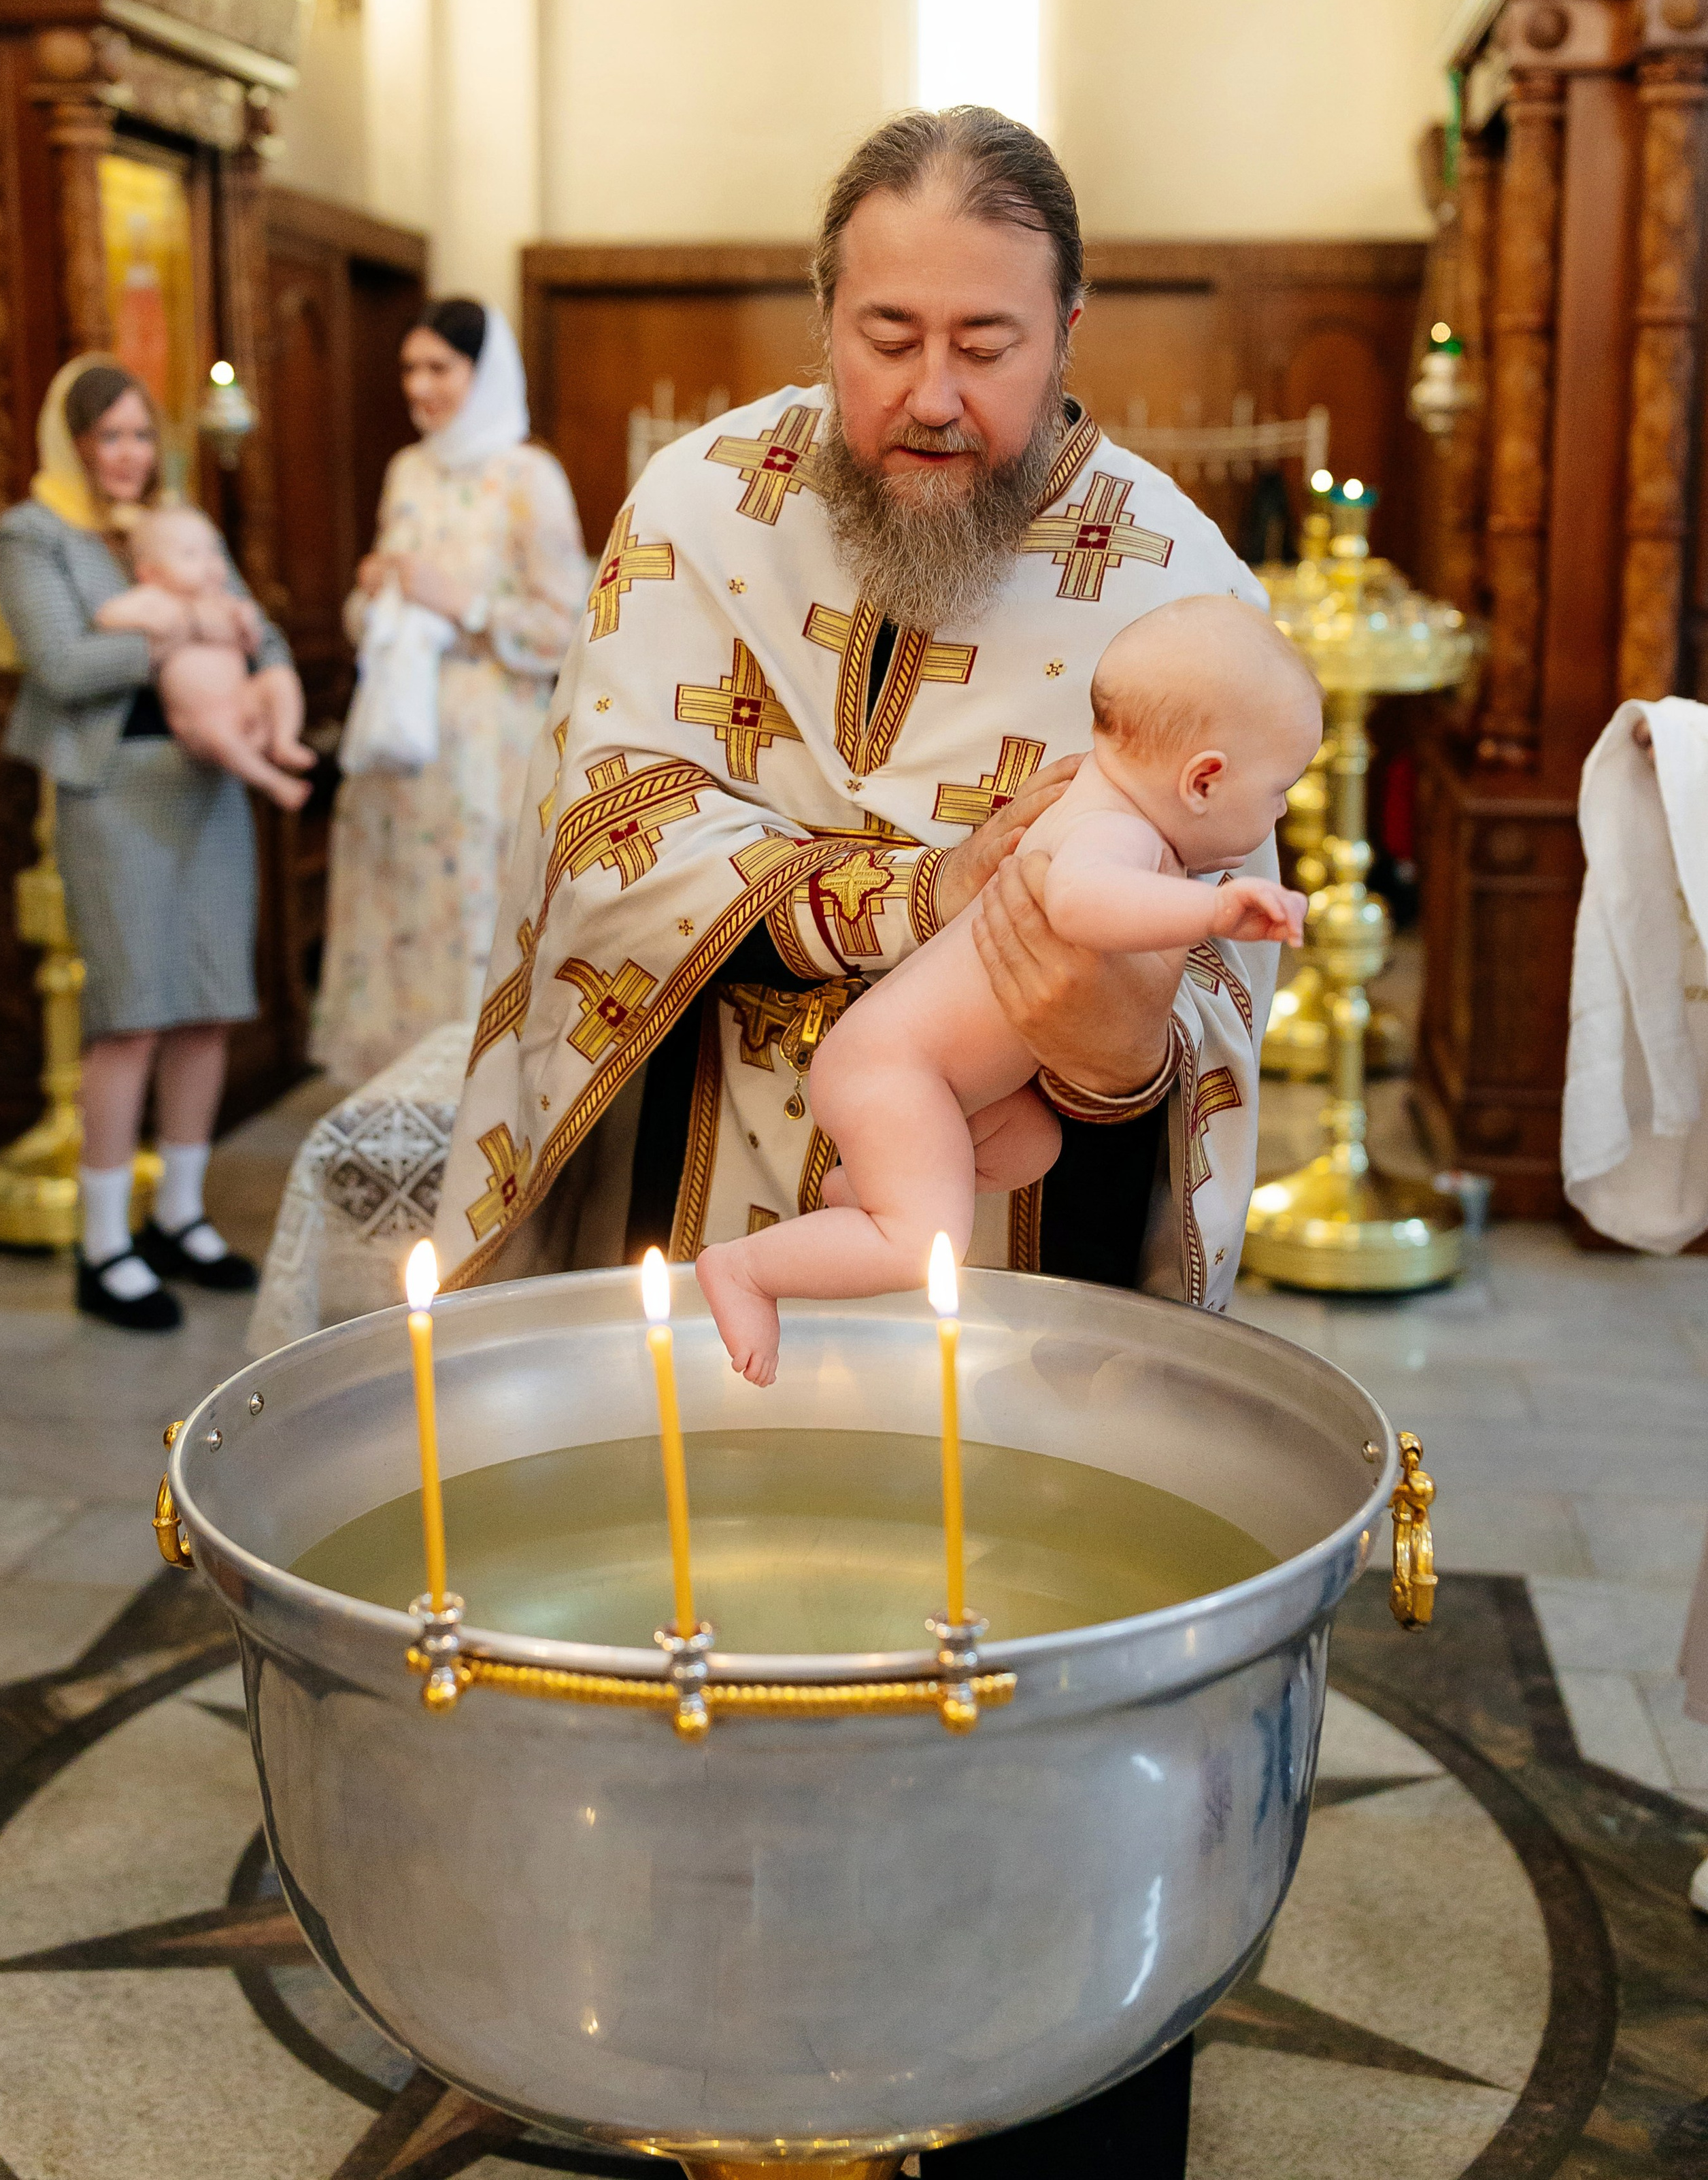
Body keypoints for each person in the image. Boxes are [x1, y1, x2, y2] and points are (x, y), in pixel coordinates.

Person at [436, 107, 1284, 2177]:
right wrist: (904, 907)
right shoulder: (698, 505)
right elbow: (606, 827)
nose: (931, 389)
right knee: (708, 1673)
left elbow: (1213, 978)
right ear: (824, 313)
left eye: (985, 338)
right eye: (884, 328)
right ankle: (696, 2050)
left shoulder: (1171, 574)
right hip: (701, 1156)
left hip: (1018, 1230)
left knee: (995, 1702)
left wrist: (1085, 1017)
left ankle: (1024, 2064)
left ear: (1070, 327)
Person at [699, 597, 1316, 1383]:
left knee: (1031, 1145)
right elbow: (1076, 902)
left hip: (932, 1078)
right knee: (927, 1243)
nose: (1283, 810)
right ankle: (747, 1271)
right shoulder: (1111, 831)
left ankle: (864, 1186)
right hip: (893, 1069)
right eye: (1278, 791)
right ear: (1202, 780)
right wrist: (1214, 906)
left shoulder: (1112, 800)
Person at [0, 355, 306, 1331]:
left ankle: (178, 1213)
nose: (127, 455)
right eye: (108, 436)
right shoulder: (32, 533)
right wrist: (176, 630)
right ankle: (104, 1243)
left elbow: (263, 636)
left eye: (140, 435)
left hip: (208, 783)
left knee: (207, 1004)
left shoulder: (184, 529)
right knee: (131, 1014)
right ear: (74, 441)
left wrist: (248, 644)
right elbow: (62, 663)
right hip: (114, 791)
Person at [309, 299, 587, 1085]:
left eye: (439, 368)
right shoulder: (408, 469)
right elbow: (372, 614)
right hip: (400, 747)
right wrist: (375, 594)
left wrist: (459, 602)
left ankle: (480, 1119)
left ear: (483, 372)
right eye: (410, 368)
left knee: (478, 920)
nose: (420, 386)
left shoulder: (529, 476)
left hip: (487, 754)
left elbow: (567, 627)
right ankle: (397, 1107)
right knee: (399, 925)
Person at [94, 503, 314, 807]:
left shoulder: (223, 598)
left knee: (279, 677)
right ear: (150, 573)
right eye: (190, 555)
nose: (210, 564)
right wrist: (155, 619)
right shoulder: (155, 599)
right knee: (220, 736)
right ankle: (274, 782)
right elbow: (107, 616)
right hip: (201, 720)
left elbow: (259, 642)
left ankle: (285, 739)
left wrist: (246, 621)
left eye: (214, 552)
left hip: (242, 697)